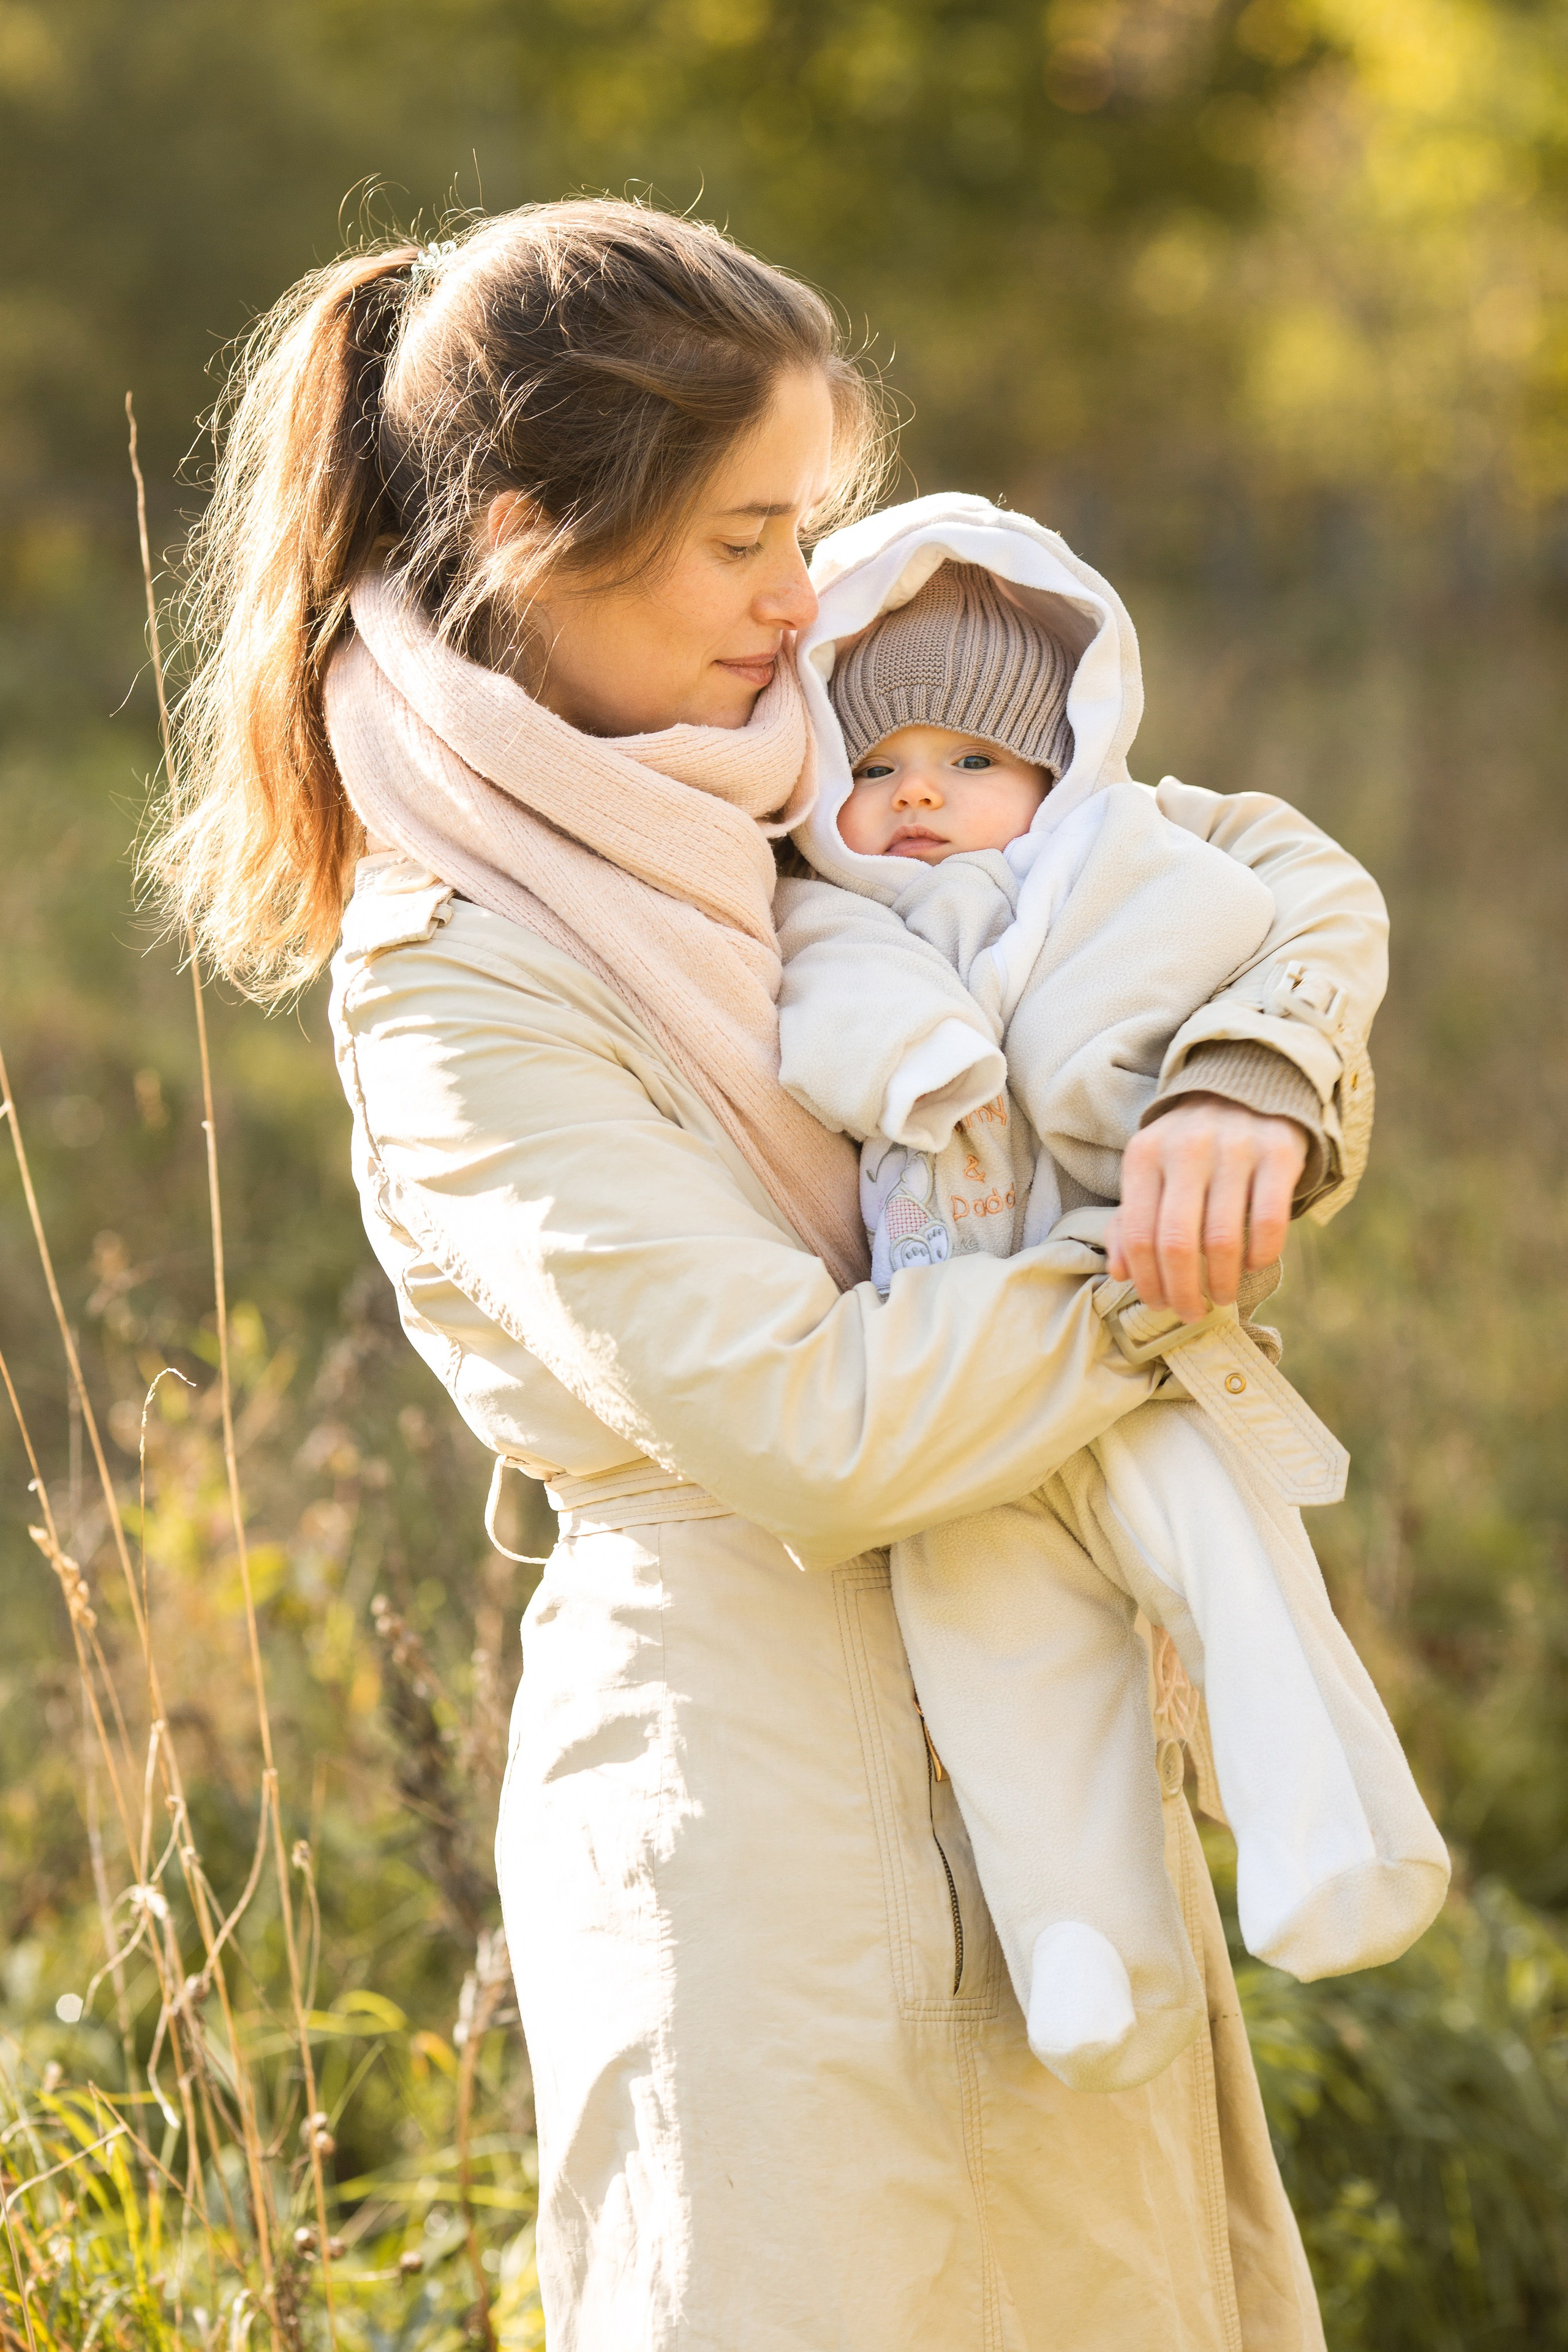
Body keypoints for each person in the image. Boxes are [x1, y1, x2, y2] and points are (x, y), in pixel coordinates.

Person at [151, 195, 1389, 2350]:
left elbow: (1257, 868)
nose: (803, 595)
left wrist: (1249, 1086)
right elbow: (805, 1426)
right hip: (755, 1823)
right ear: (536, 539)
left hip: (1043, 1782)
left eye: (807, 527)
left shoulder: (820, 787)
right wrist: (1147, 1271)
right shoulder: (457, 979)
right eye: (745, 540)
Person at [773, 519, 1448, 2095]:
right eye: (874, 766)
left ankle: (1329, 1834)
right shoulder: (828, 911)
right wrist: (918, 1058)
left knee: (1231, 1565)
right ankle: (1084, 1946)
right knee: (993, 1650)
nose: (918, 795)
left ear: (1059, 760)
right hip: (956, 1367)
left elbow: (1260, 918)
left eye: (971, 760)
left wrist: (1211, 1072)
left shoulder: (1125, 860)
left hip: (1133, 1330)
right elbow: (821, 1005)